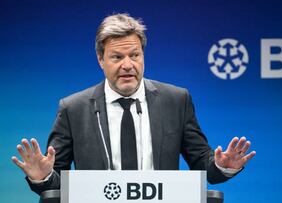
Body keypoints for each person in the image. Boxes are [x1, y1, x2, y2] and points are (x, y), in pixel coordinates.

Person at [12, 13, 256, 195]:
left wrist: (223, 166)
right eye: (117, 57)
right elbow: (59, 184)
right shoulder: (73, 108)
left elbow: (202, 162)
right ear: (100, 59)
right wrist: (43, 177)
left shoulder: (176, 100)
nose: (128, 65)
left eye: (135, 55)